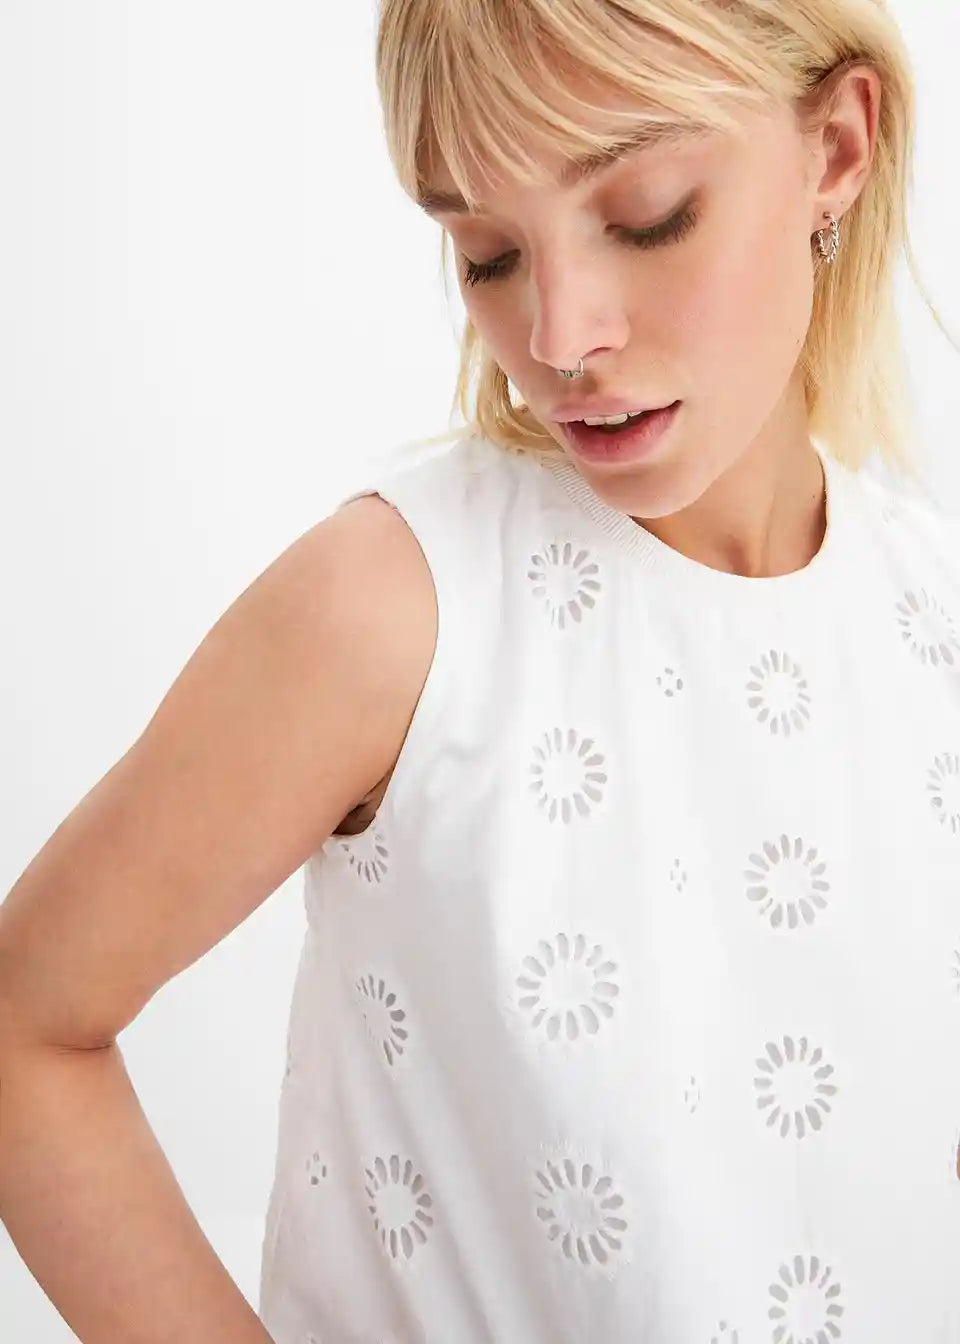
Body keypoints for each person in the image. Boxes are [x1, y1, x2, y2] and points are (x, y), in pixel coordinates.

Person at [1, 1, 959, 1342]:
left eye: (649, 216)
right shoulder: (399, 610)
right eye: (488, 252)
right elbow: (26, 1026)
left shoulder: (930, 615)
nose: (560, 335)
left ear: (837, 150)